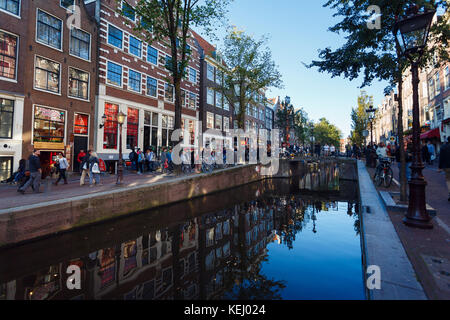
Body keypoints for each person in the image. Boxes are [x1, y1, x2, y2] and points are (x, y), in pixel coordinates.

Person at [438, 137, 450, 201]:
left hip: (447, 166)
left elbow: (441, 158)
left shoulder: (443, 147)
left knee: (448, 180)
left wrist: (440, 167)